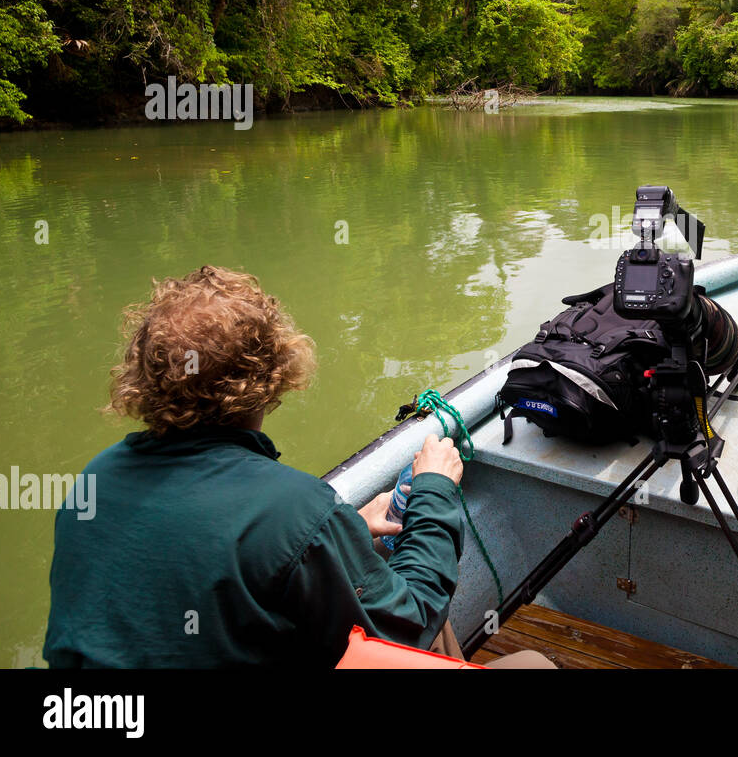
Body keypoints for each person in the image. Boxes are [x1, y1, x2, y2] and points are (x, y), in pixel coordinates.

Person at [42, 265, 552, 669]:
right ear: (271, 377)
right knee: (532, 665)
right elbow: (408, 627)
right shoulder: (293, 510)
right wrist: (435, 492)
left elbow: (203, 565)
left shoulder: (95, 478)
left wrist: (344, 529)